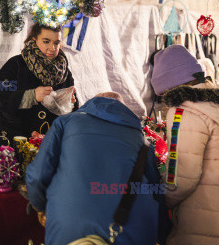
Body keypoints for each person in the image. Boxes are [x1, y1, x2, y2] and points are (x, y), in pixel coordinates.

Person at [26, 92, 161, 245]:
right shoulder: (143, 140)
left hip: (71, 225)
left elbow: (37, 175)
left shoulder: (66, 122)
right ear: (124, 110)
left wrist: (40, 206)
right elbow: (156, 190)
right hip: (133, 228)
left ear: (91, 104)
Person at [151, 44, 219, 245]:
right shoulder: (213, 104)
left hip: (202, 222)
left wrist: (160, 201)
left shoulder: (184, 112)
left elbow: (181, 177)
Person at [0, 23, 76, 144]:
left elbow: (72, 112)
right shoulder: (16, 64)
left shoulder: (64, 70)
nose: (52, 48)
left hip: (48, 142)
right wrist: (31, 96)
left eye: (56, 43)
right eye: (46, 41)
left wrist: (69, 103)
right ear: (33, 40)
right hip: (12, 140)